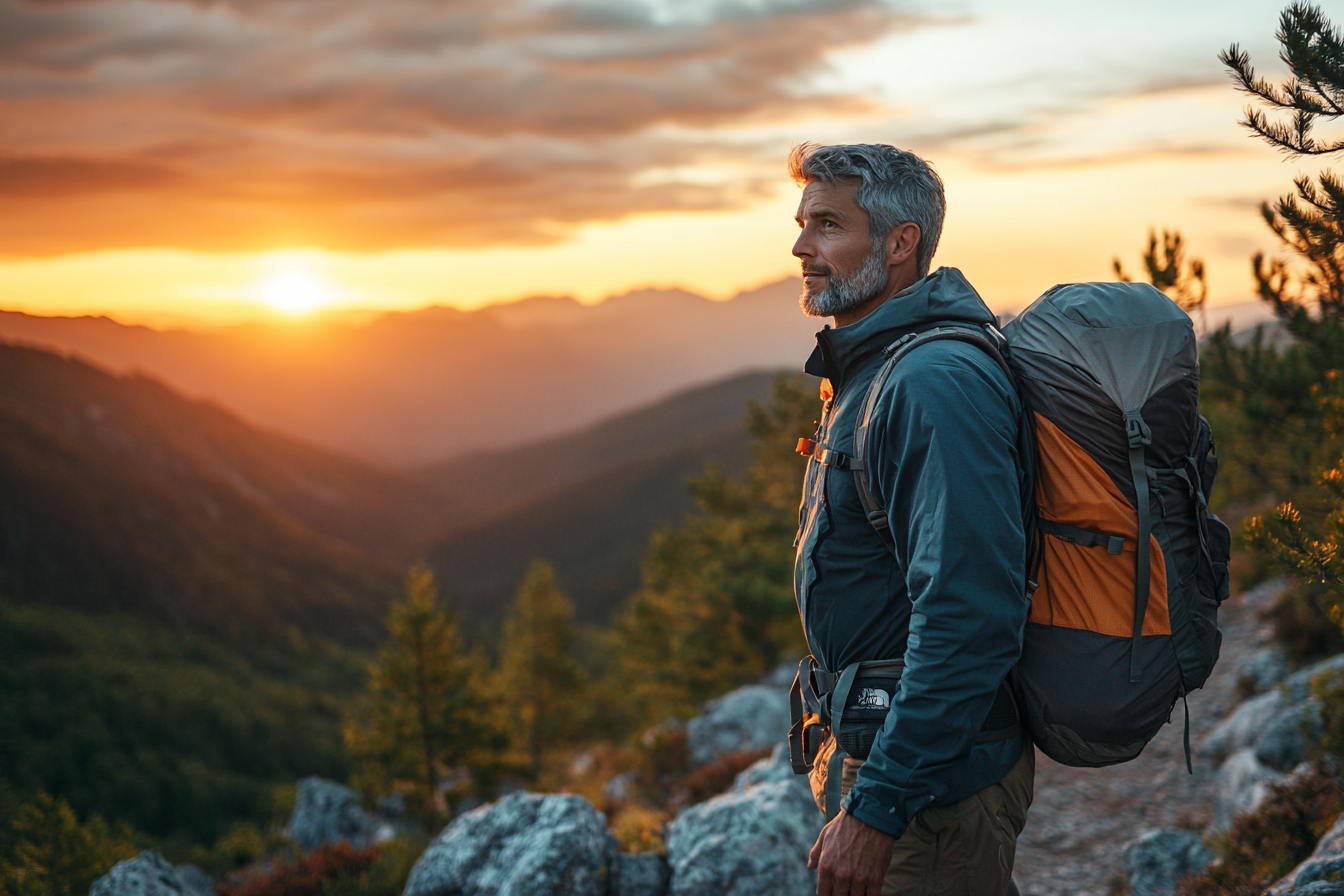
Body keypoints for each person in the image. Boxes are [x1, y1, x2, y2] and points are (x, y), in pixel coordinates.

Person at [788, 142, 1034, 896]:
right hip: (892, 759)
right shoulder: (879, 366)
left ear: (901, 244)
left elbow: (969, 614)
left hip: (929, 794)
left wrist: (880, 807)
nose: (800, 246)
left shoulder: (931, 383)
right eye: (801, 223)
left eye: (827, 224)